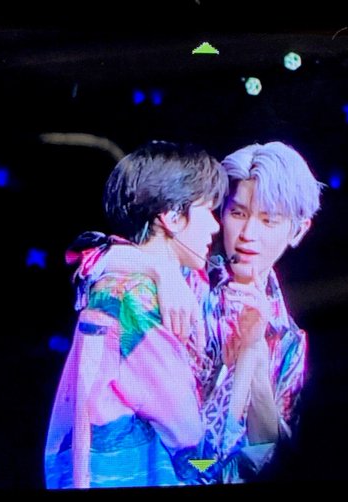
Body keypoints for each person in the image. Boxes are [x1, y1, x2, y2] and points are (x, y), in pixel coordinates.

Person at [95, 140, 325, 483]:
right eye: (238, 213)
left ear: (299, 229)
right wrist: (160, 271)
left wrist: (255, 364)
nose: (248, 234)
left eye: (268, 220)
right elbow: (90, 260)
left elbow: (262, 458)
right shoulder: (186, 270)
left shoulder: (287, 339)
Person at [43, 140, 230, 489]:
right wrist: (218, 466)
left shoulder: (126, 276)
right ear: (172, 216)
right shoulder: (136, 296)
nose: (216, 226)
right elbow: (184, 432)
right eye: (208, 210)